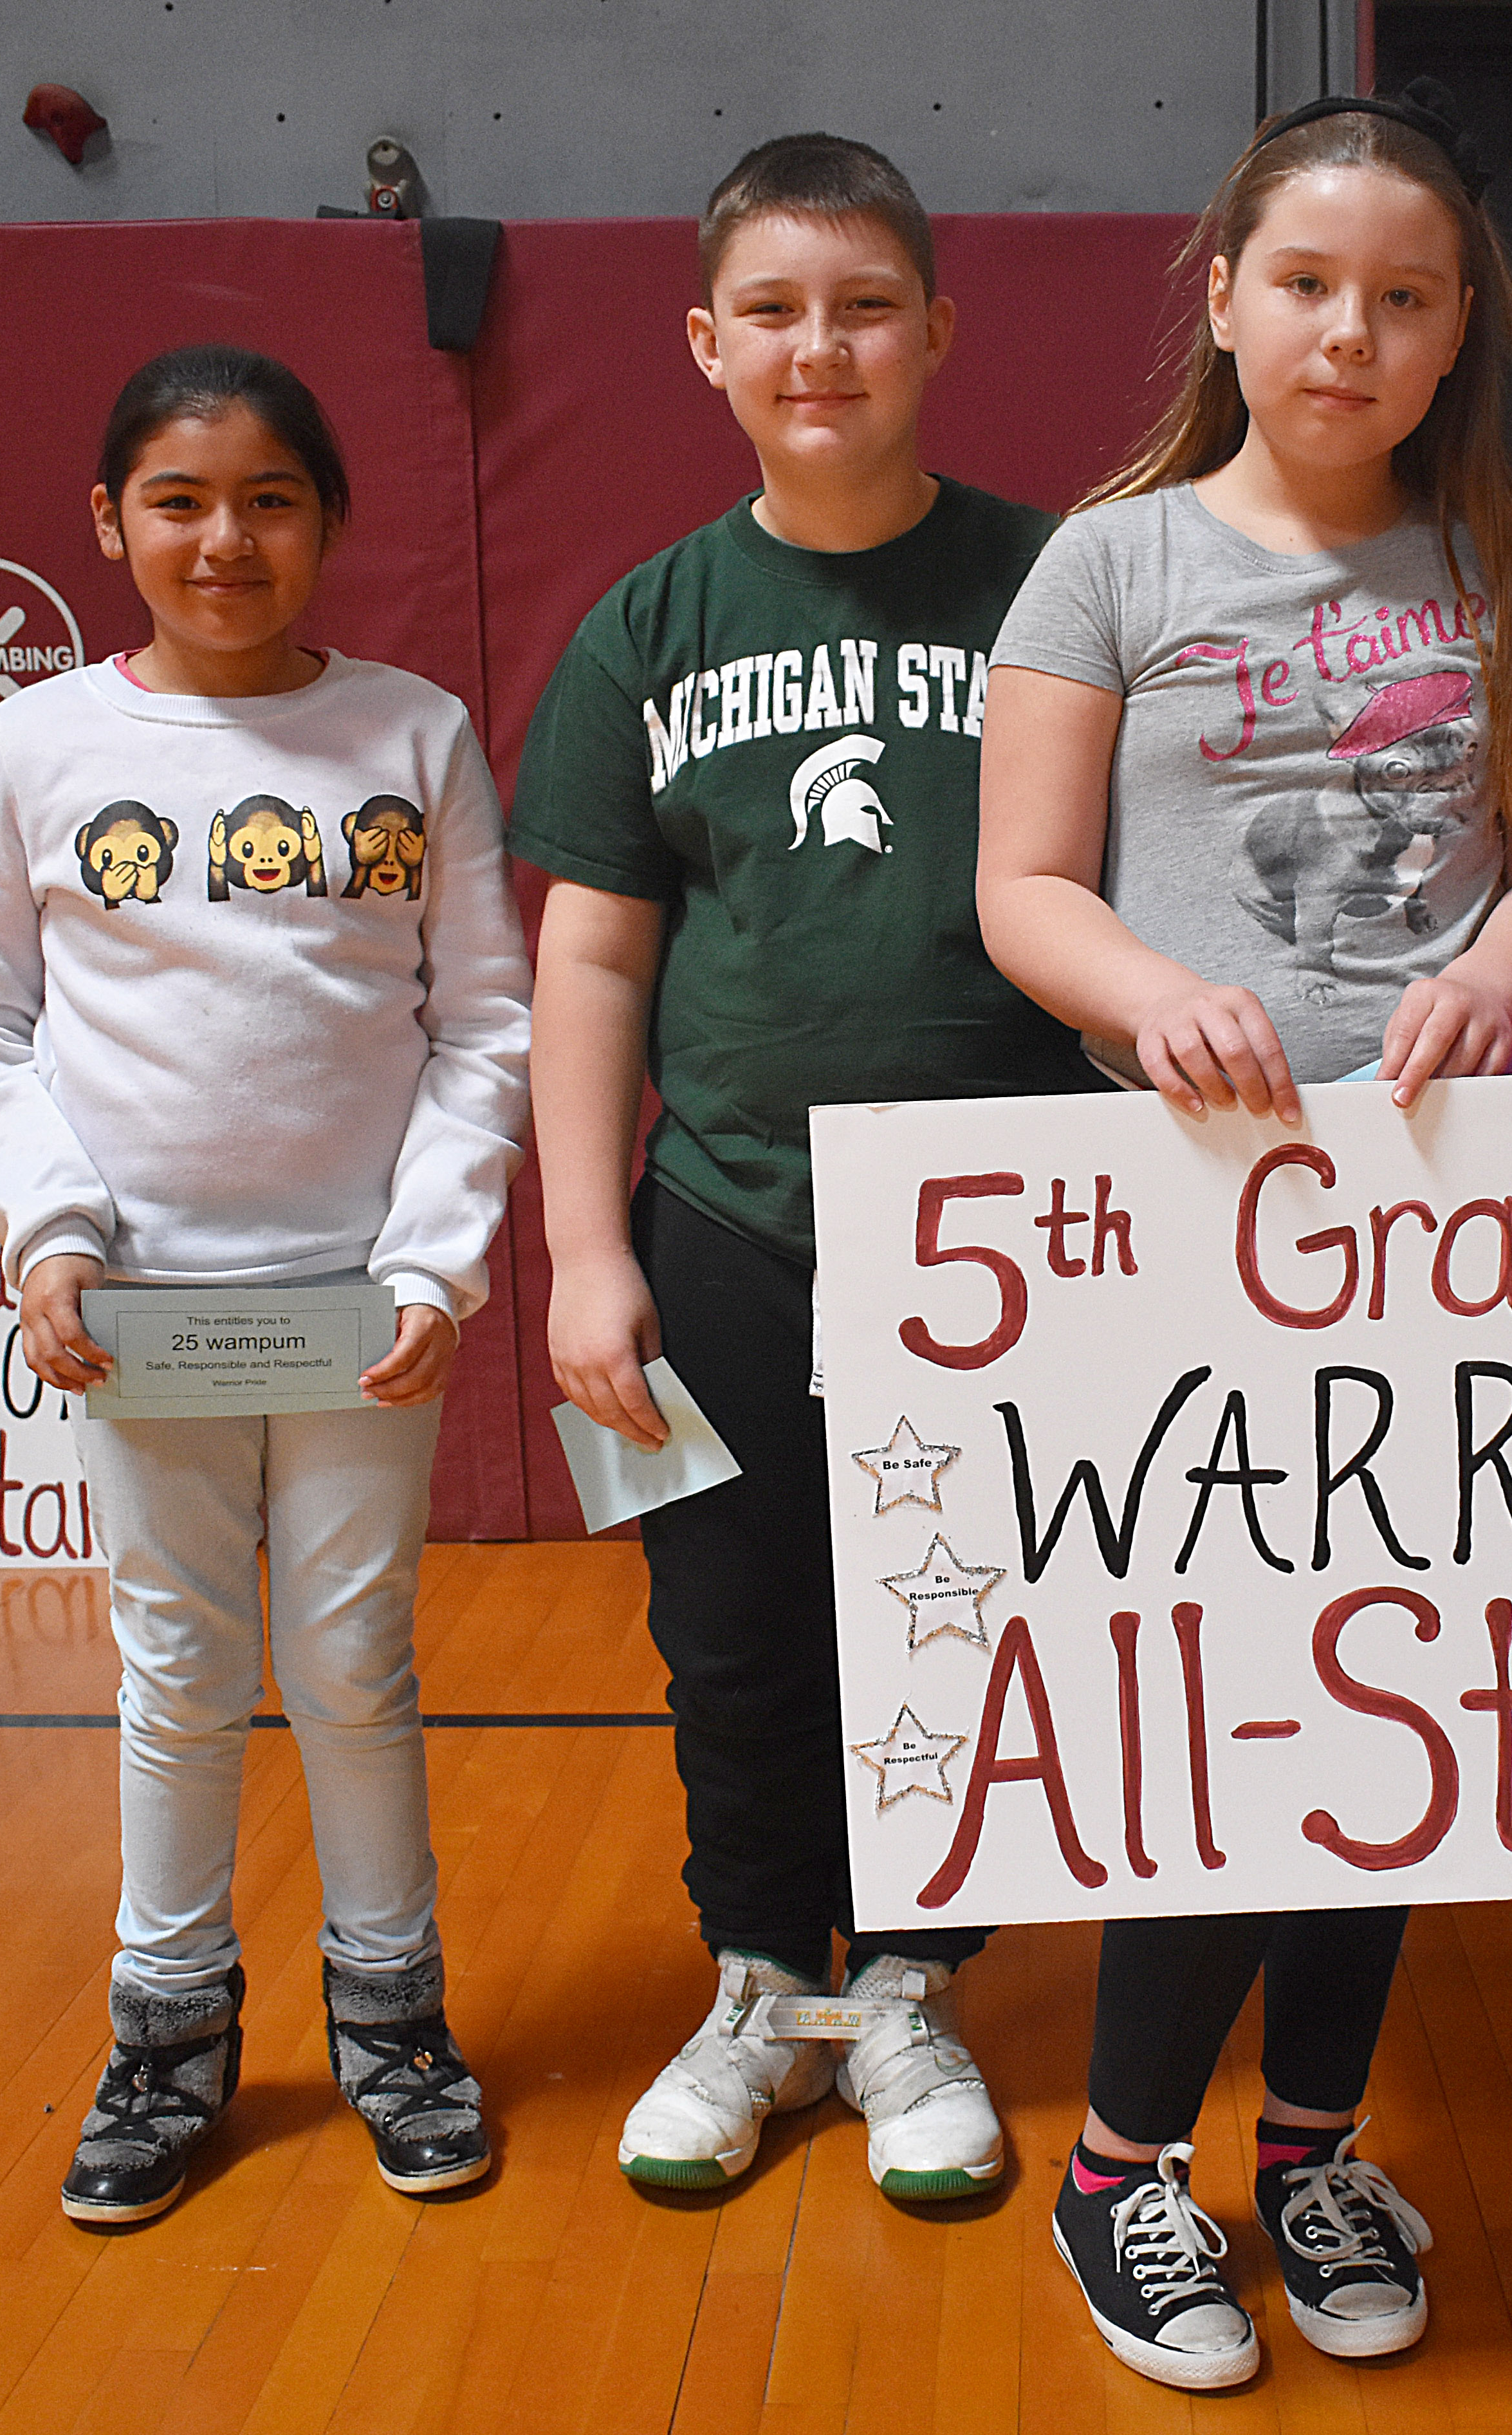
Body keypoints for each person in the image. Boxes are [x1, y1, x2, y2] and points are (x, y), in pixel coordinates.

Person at [978, 82, 1512, 2390]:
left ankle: (1315, 2147)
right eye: (1311, 284)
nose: (1352, 332)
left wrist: (1504, 973)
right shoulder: (1110, 563)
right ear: (1227, 298)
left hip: (1454, 1229)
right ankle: (1117, 2176)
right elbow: (1025, 886)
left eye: (1405, 297)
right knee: (1222, 1719)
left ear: (1458, 336)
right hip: (1192, 1232)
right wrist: (1159, 1000)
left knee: (1399, 1711)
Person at [508, 134, 1091, 2203]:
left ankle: (913, 1989)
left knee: (951, 1631)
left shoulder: (1060, 586)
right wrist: (586, 1249)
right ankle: (763, 1985)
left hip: (1006, 1242)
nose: (817, 345)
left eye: (861, 304)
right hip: (732, 1221)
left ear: (935, 329)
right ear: (704, 344)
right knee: (738, 1638)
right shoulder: (646, 627)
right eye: (771, 309)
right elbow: (589, 951)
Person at [0, 344, 533, 2225]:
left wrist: (436, 1258)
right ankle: (169, 2035)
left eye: (269, 498)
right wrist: (48, 1230)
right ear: (109, 523)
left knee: (355, 1663)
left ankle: (393, 2020)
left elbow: (486, 1024)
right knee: (177, 1671)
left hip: (361, 1311)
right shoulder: (36, 748)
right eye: (178, 500)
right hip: (138, 1317)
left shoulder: (413, 733)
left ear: (330, 521)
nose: (225, 537)